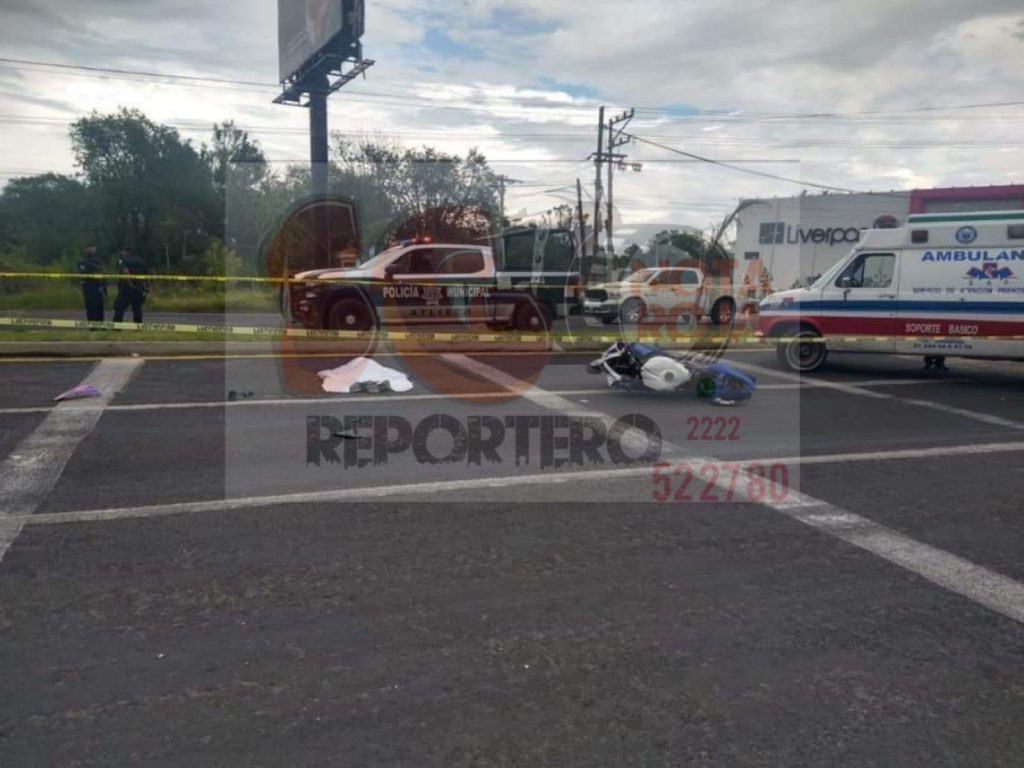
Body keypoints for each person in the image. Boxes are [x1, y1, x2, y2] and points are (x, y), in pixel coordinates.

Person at [113, 249, 149, 323]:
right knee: (137, 308)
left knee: (119, 306)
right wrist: (146, 287)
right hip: (139, 288)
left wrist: (130, 284)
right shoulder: (140, 260)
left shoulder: (124, 260)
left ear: (125, 251)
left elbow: (125, 272)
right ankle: (137, 326)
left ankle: (117, 326)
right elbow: (145, 274)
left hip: (127, 288)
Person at [77, 246, 107, 323]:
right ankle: (100, 323)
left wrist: (82, 282)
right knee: (99, 307)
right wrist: (104, 288)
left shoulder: (84, 262)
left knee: (90, 307)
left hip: (89, 287)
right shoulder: (99, 262)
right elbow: (104, 274)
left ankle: (92, 325)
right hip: (99, 287)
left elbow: (83, 274)